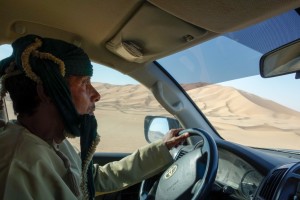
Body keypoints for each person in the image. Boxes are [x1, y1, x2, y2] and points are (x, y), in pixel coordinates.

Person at [0, 34, 189, 200]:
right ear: (48, 92)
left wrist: (160, 150)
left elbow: (90, 180)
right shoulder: (18, 165)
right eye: (84, 82)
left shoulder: (54, 143)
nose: (96, 95)